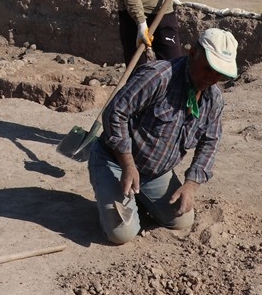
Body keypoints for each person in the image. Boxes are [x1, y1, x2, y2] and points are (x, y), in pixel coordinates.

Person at [89, 27, 238, 244]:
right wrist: (128, 165)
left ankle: (138, 199)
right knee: (121, 234)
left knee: (182, 219)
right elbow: (115, 112)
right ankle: (110, 194)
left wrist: (191, 185)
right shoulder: (158, 77)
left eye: (220, 74)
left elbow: (210, 142)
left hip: (156, 172)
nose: (212, 79)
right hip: (116, 161)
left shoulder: (213, 99)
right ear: (193, 53)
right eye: (208, 69)